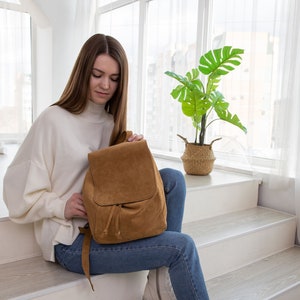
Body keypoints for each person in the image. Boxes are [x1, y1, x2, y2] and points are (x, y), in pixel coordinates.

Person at [3, 34, 209, 299]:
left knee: (173, 179)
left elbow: (118, 189)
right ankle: (162, 280)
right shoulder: (52, 120)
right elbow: (15, 192)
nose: (105, 85)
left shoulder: (111, 123)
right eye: (97, 74)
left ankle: (160, 280)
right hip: (72, 241)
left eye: (114, 79)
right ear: (82, 73)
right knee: (182, 247)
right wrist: (60, 205)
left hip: (109, 225)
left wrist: (133, 152)